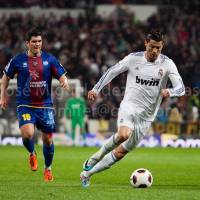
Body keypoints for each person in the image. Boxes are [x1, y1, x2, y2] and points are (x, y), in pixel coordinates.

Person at [80, 29, 185, 187]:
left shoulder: (167, 63)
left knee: (121, 152)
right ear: (145, 44)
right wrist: (95, 89)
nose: (154, 51)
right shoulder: (133, 59)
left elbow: (181, 88)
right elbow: (112, 71)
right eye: (151, 47)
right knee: (123, 134)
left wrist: (169, 91)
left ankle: (87, 174)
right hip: (130, 106)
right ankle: (96, 157)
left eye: (158, 47)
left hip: (147, 117)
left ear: (162, 46)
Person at [0, 28, 69, 181]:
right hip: (25, 104)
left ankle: (48, 169)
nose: (37, 44)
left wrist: (64, 82)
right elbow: (5, 78)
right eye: (34, 42)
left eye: (39, 41)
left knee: (48, 140)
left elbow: (61, 74)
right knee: (27, 134)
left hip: (45, 106)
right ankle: (32, 153)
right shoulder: (18, 60)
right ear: (27, 43)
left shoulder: (49, 59)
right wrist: (2, 95)